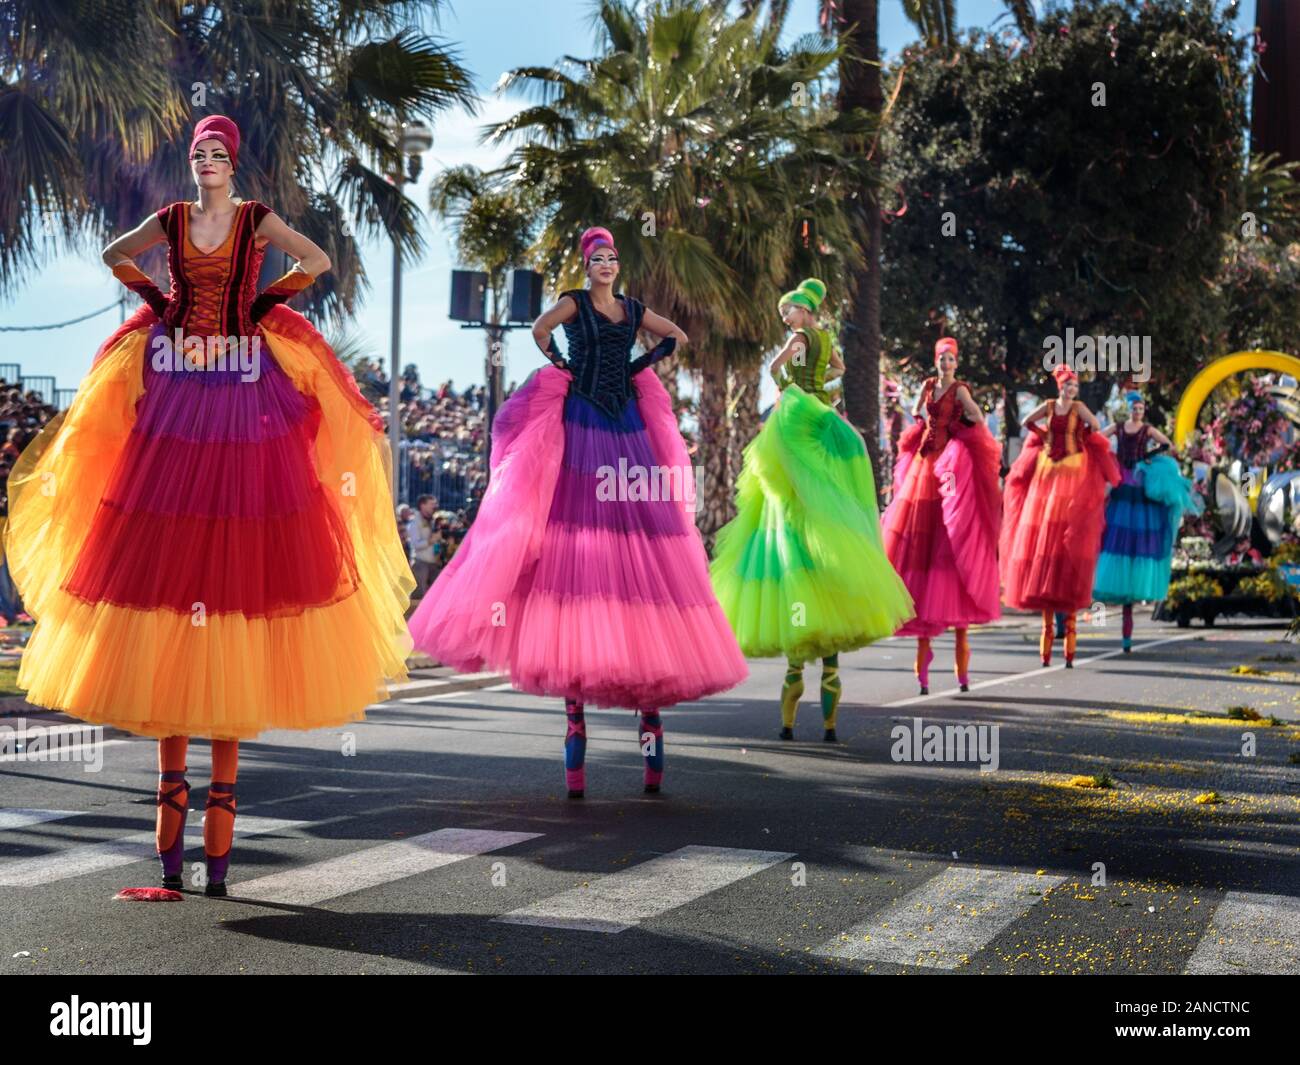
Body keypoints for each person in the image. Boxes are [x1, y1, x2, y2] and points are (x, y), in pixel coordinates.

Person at [3, 115, 414, 897]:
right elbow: (113, 252)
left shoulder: (257, 218)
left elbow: (316, 258)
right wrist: (156, 296)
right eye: (200, 153)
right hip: (177, 391)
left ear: (234, 162)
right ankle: (169, 852)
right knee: (163, 562)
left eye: (220, 152)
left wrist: (265, 305)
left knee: (236, 573)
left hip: (241, 387)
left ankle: (216, 857)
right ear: (192, 164)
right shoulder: (174, 218)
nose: (211, 162)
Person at [408, 226, 746, 796]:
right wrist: (564, 362)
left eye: (613, 258)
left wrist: (641, 366)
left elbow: (677, 336)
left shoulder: (634, 308)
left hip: (626, 429)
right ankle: (579, 745)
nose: (607, 265)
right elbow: (541, 330)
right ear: (587, 265)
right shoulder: (573, 302)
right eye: (599, 258)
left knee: (641, 543)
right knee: (574, 540)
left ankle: (648, 737)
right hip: (582, 422)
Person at [710, 279, 913, 741]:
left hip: (799, 412)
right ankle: (828, 724)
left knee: (784, 478)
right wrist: (822, 387)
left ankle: (789, 722)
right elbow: (838, 368)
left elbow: (775, 369)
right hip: (820, 409)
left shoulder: (800, 338)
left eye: (790, 310)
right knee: (820, 484)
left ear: (804, 311)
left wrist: (790, 385)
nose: (786, 318)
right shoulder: (826, 340)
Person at [882, 338, 1002, 695]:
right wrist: (923, 423)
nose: (947, 363)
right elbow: (918, 411)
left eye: (951, 358)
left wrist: (961, 425)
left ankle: (960, 668)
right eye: (942, 358)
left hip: (949, 464)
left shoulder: (960, 389)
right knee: (922, 537)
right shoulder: (929, 386)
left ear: (956, 362)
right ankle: (923, 663)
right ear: (936, 361)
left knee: (952, 532)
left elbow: (978, 416)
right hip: (925, 464)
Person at [1000, 364, 1120, 667]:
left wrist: (1079, 436)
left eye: (1074, 386)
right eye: (1068, 386)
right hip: (1049, 469)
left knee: (1067, 524)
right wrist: (1044, 436)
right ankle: (1048, 638)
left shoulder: (1079, 408)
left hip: (1074, 468)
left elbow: (1094, 426)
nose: (1071, 390)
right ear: (1059, 387)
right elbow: (1027, 420)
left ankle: (1065, 639)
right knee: (1044, 528)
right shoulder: (1050, 406)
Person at [1093, 391, 1202, 651]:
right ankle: (1125, 633)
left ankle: (1127, 634)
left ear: (1144, 410)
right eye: (1134, 408)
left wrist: (1149, 456)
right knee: (1119, 535)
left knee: (1136, 534)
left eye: (1141, 408)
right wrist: (1107, 454)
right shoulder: (1119, 427)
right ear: (1129, 409)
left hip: (1138, 483)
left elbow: (1167, 444)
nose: (1137, 412)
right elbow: (1098, 437)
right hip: (1122, 483)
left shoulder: (1147, 429)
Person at [406, 494, 440, 595]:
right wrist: (431, 540)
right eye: (432, 504)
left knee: (436, 595)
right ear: (422, 505)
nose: (435, 506)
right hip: (420, 563)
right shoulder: (414, 522)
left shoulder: (432, 520)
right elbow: (415, 544)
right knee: (418, 597)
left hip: (434, 562)